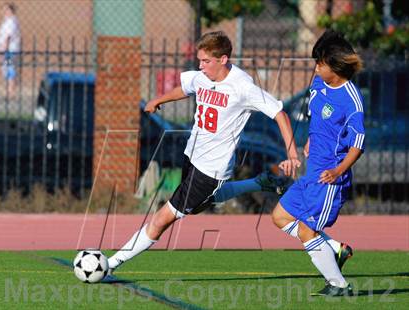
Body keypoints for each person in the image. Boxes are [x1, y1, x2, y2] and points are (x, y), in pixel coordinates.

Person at [107, 31, 301, 272]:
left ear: (223, 59)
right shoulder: (202, 77)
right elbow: (186, 87)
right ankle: (259, 182)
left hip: (212, 169)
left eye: (206, 61)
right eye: (199, 60)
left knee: (162, 218)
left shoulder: (243, 86)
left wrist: (292, 154)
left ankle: (109, 264)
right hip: (191, 155)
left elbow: (280, 114)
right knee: (200, 204)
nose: (201, 66)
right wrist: (159, 100)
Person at [272, 29, 364, 296]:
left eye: (320, 63)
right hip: (311, 173)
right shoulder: (318, 85)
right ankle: (335, 249)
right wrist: (312, 139)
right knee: (279, 217)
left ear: (334, 67)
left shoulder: (352, 100)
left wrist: (337, 171)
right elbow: (317, 118)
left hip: (328, 180)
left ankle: (339, 286)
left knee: (305, 230)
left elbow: (358, 144)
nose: (316, 67)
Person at [0, 3, 21, 99]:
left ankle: (11, 92)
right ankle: (9, 91)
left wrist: (3, 49)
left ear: (10, 11)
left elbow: (8, 36)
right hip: (8, 50)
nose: (4, 12)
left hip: (9, 51)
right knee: (7, 69)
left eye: (6, 10)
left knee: (10, 69)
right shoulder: (8, 21)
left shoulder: (11, 22)